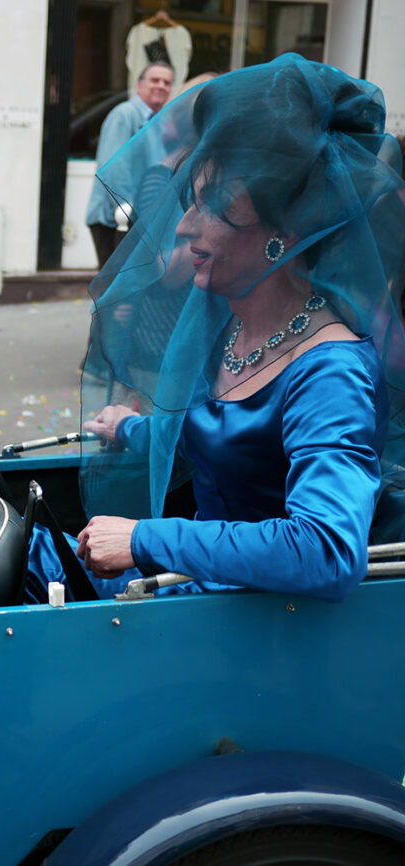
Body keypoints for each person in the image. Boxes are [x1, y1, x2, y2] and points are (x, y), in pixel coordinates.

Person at [51, 54, 405, 603]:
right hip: (207, 597)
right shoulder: (226, 327)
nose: (186, 224)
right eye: (192, 201)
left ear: (284, 233)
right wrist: (129, 428)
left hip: (252, 635)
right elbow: (216, 435)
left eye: (213, 205)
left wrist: (149, 537)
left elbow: (326, 549)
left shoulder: (329, 371)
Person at [85, 61, 173, 269]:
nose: (161, 85)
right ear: (139, 85)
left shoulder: (158, 121)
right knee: (113, 292)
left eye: (167, 82)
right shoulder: (125, 114)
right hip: (114, 220)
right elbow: (114, 166)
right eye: (155, 80)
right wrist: (127, 210)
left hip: (137, 220)